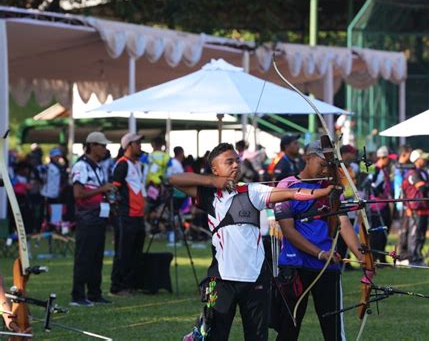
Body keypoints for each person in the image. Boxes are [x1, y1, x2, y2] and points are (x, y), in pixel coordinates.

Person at [172, 143, 336, 341]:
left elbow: (291, 193)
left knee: (257, 336)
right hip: (222, 280)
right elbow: (174, 179)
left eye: (237, 161)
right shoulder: (210, 196)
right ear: (215, 169)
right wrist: (213, 181)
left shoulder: (253, 191)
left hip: (255, 279)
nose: (235, 166)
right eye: (229, 162)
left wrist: (320, 193)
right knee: (215, 334)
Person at [273, 140, 364, 341]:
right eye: (322, 164)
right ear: (308, 158)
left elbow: (344, 224)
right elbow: (288, 230)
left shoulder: (330, 188)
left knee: (333, 330)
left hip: (327, 268)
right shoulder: (287, 186)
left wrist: (362, 257)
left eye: (329, 166)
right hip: (295, 266)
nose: (325, 170)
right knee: (289, 328)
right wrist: (320, 253)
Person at [70, 132, 114, 306]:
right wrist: (102, 189)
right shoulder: (81, 166)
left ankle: (95, 293)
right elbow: (78, 194)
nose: (105, 149)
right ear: (92, 145)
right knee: (84, 257)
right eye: (102, 146)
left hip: (98, 217)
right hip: (86, 218)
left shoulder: (98, 166)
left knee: (96, 257)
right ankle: (78, 295)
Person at [110, 133, 146, 296]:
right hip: (125, 215)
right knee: (123, 252)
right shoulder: (122, 164)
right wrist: (117, 211)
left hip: (138, 215)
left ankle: (130, 284)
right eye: (137, 143)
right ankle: (117, 286)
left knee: (135, 252)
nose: (140, 146)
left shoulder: (137, 164)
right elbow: (113, 189)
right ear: (128, 146)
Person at [401, 149, 429, 264]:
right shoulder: (412, 173)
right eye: (422, 158)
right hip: (416, 207)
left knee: (422, 234)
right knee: (415, 233)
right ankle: (413, 257)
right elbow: (422, 187)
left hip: (424, 207)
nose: (425, 159)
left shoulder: (423, 172)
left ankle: (418, 256)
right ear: (417, 160)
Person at [366, 145, 392, 262]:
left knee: (385, 230)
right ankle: (375, 257)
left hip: (384, 204)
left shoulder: (384, 170)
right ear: (383, 157)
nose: (389, 160)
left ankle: (382, 257)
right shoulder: (375, 169)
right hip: (376, 206)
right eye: (388, 158)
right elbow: (370, 183)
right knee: (377, 232)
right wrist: (379, 194)